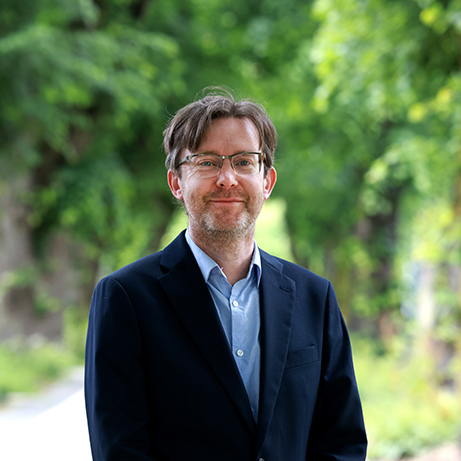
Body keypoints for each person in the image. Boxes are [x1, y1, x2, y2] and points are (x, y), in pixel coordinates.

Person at [84, 88, 367, 461]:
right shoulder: (126, 298)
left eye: (244, 162)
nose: (227, 178)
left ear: (267, 181)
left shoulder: (315, 297)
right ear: (176, 183)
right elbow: (120, 450)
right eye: (207, 162)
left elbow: (342, 442)